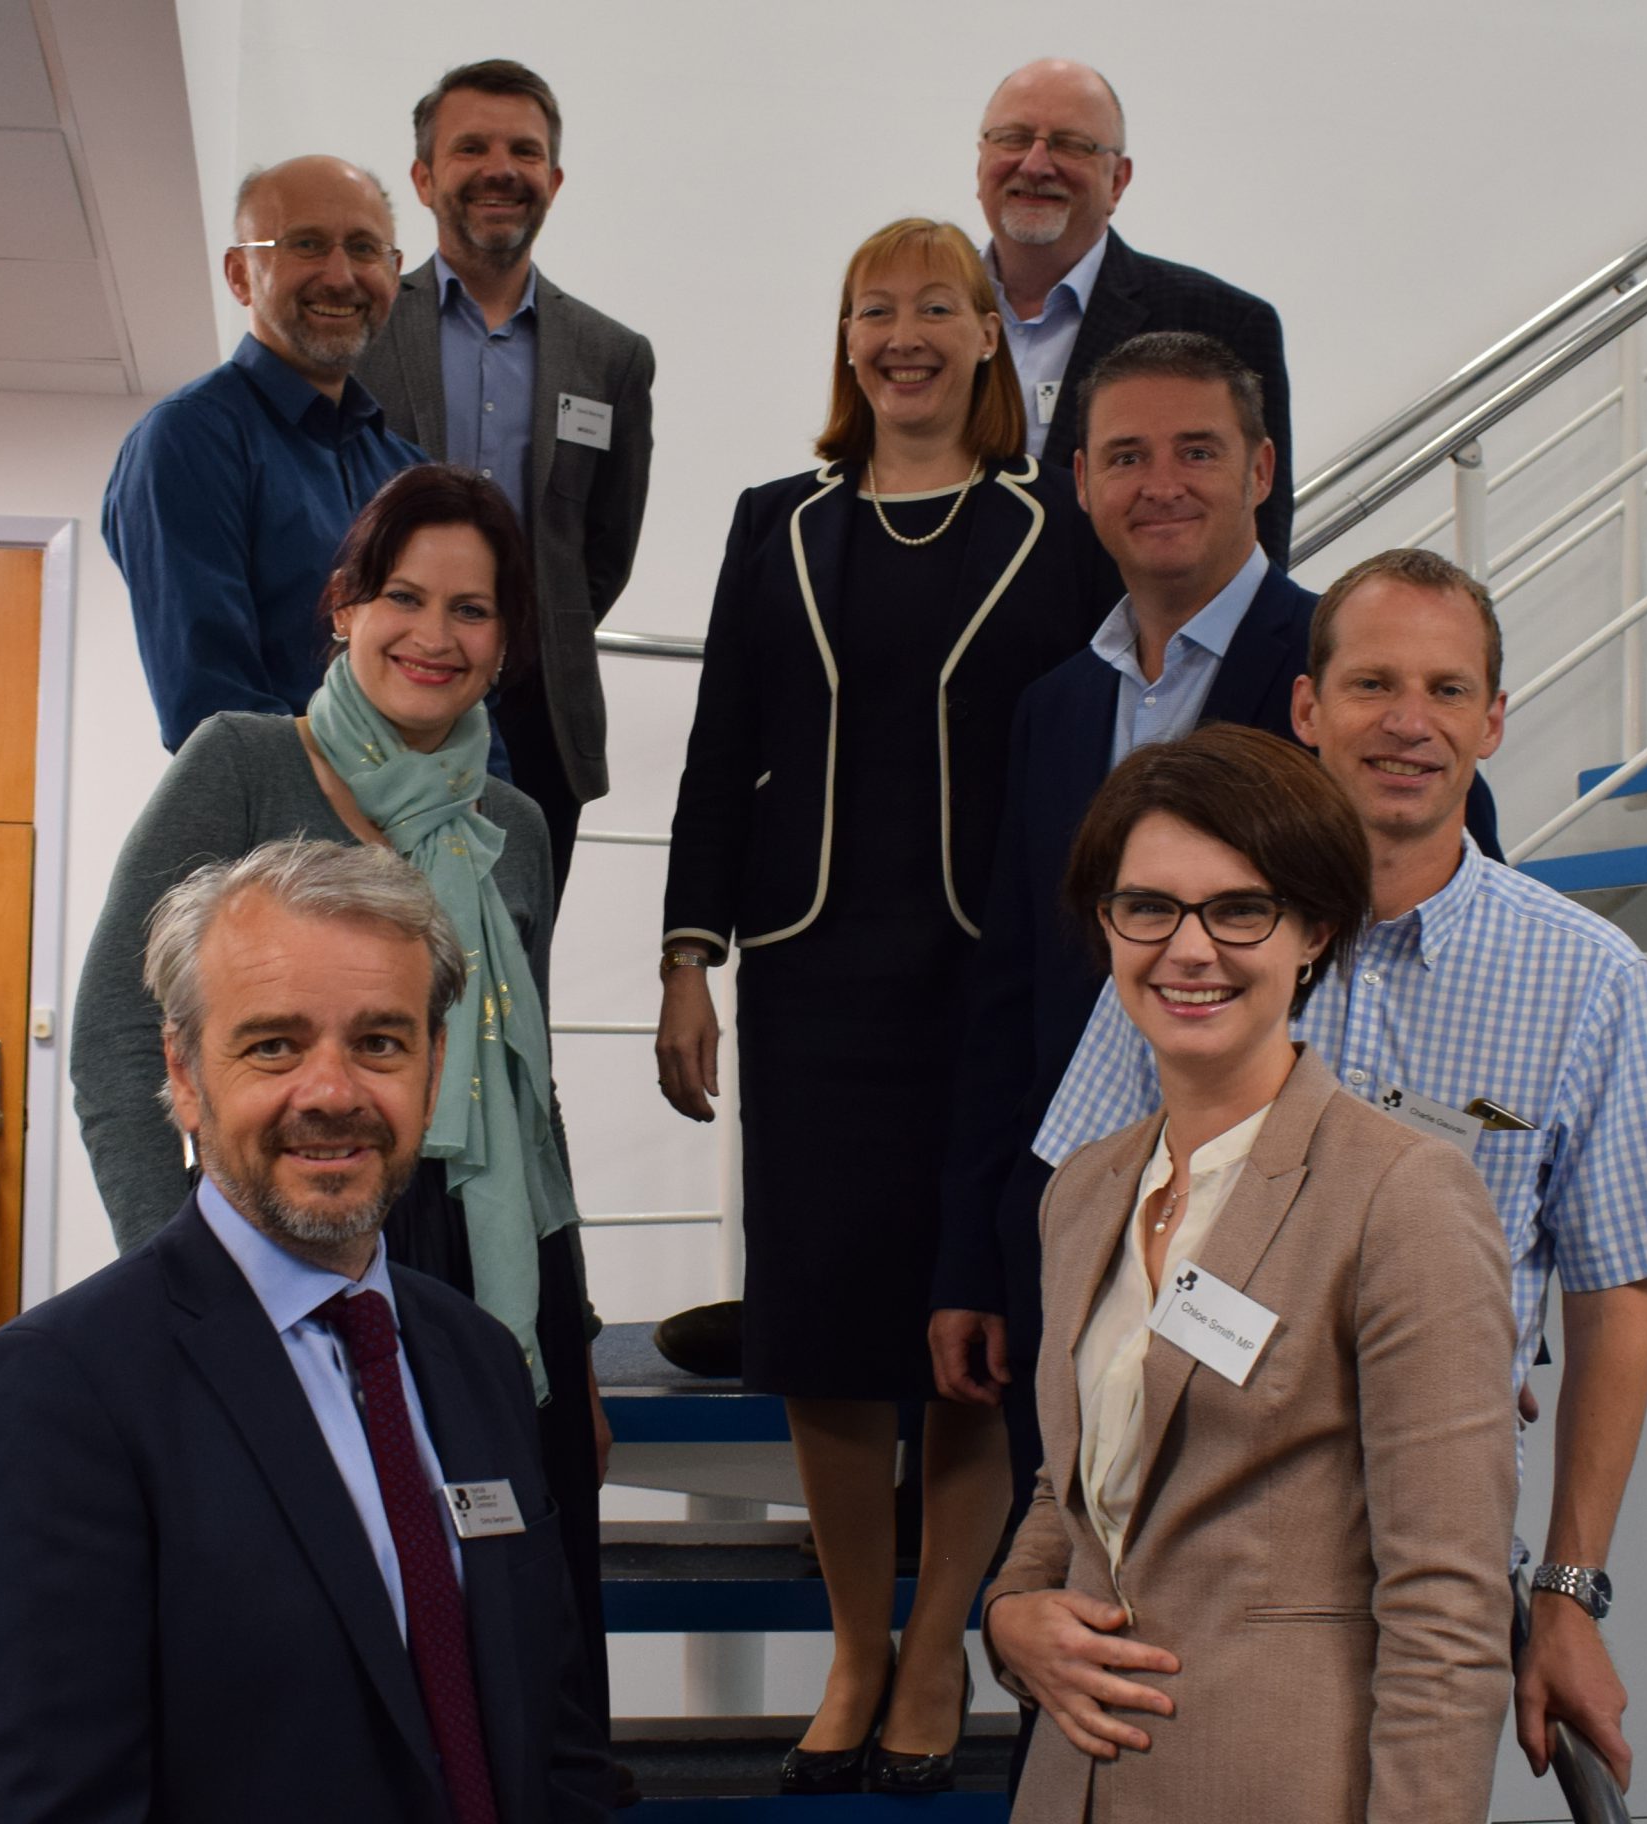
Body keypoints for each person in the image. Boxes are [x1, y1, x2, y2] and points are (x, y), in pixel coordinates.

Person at [1037, 547, 1647, 1789]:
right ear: (1308, 708)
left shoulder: (1585, 978)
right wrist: (1028, 1586)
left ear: (1494, 720)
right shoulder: (1194, 940)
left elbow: (1615, 1290)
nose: (1409, 723)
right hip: (1174, 1520)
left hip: (1404, 1521)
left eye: (1448, 691)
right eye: (1371, 686)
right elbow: (1090, 1233)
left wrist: (1566, 1589)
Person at [654, 217, 1112, 1793]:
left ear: (993, 336)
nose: (904, 333)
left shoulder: (1058, 535)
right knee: (827, 1333)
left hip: (988, 985)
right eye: (875, 308)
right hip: (810, 976)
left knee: (964, 1328)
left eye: (938, 306)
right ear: (845, 340)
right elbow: (720, 749)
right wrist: (683, 958)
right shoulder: (777, 524)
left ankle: (940, 1653)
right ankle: (859, 1644)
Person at [71, 463, 618, 1748]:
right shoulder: (244, 765)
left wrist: (569, 1340)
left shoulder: (516, 824)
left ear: (505, 642)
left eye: (473, 612)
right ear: (341, 605)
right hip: (304, 1236)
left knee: (526, 1634)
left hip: (492, 1260)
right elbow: (114, 1034)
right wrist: (195, 1284)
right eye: (404, 597)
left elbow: (519, 1090)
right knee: (333, 1630)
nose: (435, 636)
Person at [929, 331, 1502, 1526]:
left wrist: (1472, 1296)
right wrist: (974, 1259)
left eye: (1199, 450)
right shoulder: (1055, 704)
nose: (1162, 483)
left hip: (1309, 1259)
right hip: (1090, 1233)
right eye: (1126, 455)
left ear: (1260, 471)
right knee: (1081, 1579)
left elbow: (1441, 987)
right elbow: (1011, 995)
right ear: (1080, 481)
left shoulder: (1353, 678)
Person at [0, 837, 609, 1823]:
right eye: (274, 1045)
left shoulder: (481, 1358)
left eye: (379, 1042)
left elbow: (554, 1740)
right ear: (185, 1073)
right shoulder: (54, 1397)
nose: (331, 1093)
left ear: (434, 1064)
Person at [983, 724, 1515, 1821]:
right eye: (1149, 908)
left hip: (1283, 1783)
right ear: (1106, 922)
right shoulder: (1081, 1191)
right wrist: (1009, 1608)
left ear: (1314, 930)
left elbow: (1448, 1605)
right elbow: (1071, 1482)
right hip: (1070, 1787)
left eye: (1239, 909)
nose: (1188, 949)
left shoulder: (1400, 1194)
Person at [359, 60, 656, 900]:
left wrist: (517, 630)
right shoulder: (371, 330)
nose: (500, 169)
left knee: (516, 965)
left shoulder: (612, 356)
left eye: (524, 152)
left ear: (553, 180)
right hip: (385, 697)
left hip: (538, 718)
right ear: (424, 177)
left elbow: (603, 550)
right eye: (471, 148)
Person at [105, 155, 427, 752]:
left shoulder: (410, 473)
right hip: (291, 839)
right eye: (306, 244)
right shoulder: (188, 441)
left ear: (395, 271)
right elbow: (214, 711)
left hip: (424, 831)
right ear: (240, 274)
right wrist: (378, 812)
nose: (340, 275)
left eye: (364, 248)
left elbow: (461, 696)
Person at [975, 58, 1295, 563]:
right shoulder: (912, 324)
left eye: (1070, 144)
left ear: (1118, 181)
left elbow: (1259, 547)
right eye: (1013, 138)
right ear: (980, 160)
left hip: (1136, 638)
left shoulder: (1222, 321)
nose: (1035, 164)